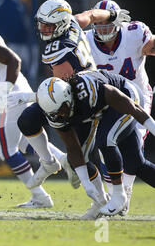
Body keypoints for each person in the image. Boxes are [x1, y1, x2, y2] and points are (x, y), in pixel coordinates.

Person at [13, 0, 131, 215]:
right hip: (74, 91)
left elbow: (59, 92)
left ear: (61, 24)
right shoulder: (74, 23)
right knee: (27, 120)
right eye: (42, 24)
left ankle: (101, 200)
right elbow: (93, 14)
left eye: (49, 26)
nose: (44, 29)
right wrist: (112, 16)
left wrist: (28, 95)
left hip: (81, 101)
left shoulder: (56, 50)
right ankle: (48, 161)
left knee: (80, 160)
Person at [0, 3, 71, 208]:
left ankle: (39, 196)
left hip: (9, 99)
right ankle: (65, 160)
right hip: (14, 96)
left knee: (6, 150)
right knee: (23, 144)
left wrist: (4, 91)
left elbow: (14, 60)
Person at [35, 70, 155, 216]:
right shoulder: (56, 112)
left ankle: (118, 195)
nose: (59, 115)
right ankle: (117, 195)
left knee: (105, 140)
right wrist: (86, 183)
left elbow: (133, 108)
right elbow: (73, 147)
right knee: (136, 164)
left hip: (127, 95)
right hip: (105, 111)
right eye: (54, 113)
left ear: (68, 97)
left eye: (61, 110)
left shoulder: (88, 91)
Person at [83, 0, 155, 214]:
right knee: (118, 152)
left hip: (138, 99)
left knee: (126, 152)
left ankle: (121, 197)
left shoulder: (134, 33)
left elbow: (150, 45)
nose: (104, 30)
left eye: (108, 25)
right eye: (100, 25)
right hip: (109, 103)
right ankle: (119, 198)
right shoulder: (85, 41)